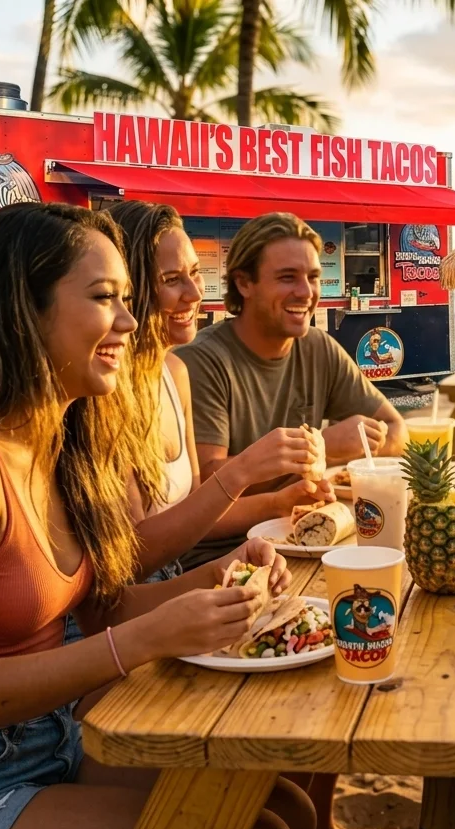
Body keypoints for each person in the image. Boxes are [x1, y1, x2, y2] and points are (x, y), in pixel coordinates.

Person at [0, 202, 314, 829]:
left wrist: (218, 577)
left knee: (282, 806)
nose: (130, 321)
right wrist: (147, 640)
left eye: (128, 297)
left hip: (59, 736)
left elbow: (100, 610)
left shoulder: (60, 441)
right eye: (105, 297)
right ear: (22, 310)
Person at [175, 212, 407, 571]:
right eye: (287, 278)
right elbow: (205, 489)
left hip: (303, 542)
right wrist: (321, 448)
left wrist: (344, 447)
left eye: (313, 277)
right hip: (219, 560)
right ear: (244, 283)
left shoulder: (317, 347)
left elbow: (396, 430)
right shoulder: (203, 362)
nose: (306, 292)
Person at [106, 200, 322, 580]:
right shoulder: (106, 392)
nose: (193, 293)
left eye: (194, 273)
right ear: (128, 288)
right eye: (172, 280)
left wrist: (275, 508)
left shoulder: (174, 371)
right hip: (129, 607)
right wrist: (244, 468)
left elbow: (192, 510)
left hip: (173, 580)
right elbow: (131, 558)